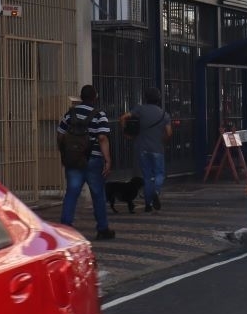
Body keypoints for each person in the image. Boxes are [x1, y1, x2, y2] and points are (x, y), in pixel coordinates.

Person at [58, 85, 114, 240]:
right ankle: (102, 229)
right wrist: (107, 159)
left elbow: (60, 134)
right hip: (94, 160)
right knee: (97, 194)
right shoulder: (99, 115)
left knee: (71, 193)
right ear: (95, 97)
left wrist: (65, 153)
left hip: (74, 161)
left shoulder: (70, 114)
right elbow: (102, 138)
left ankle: (65, 227)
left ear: (81, 96)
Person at [121, 87, 172, 212]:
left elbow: (123, 117)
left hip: (142, 148)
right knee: (159, 174)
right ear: (158, 99)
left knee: (147, 176)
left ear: (146, 98)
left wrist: (126, 133)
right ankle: (155, 191)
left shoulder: (140, 109)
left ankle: (148, 205)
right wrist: (163, 141)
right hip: (157, 149)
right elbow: (169, 133)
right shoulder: (164, 114)